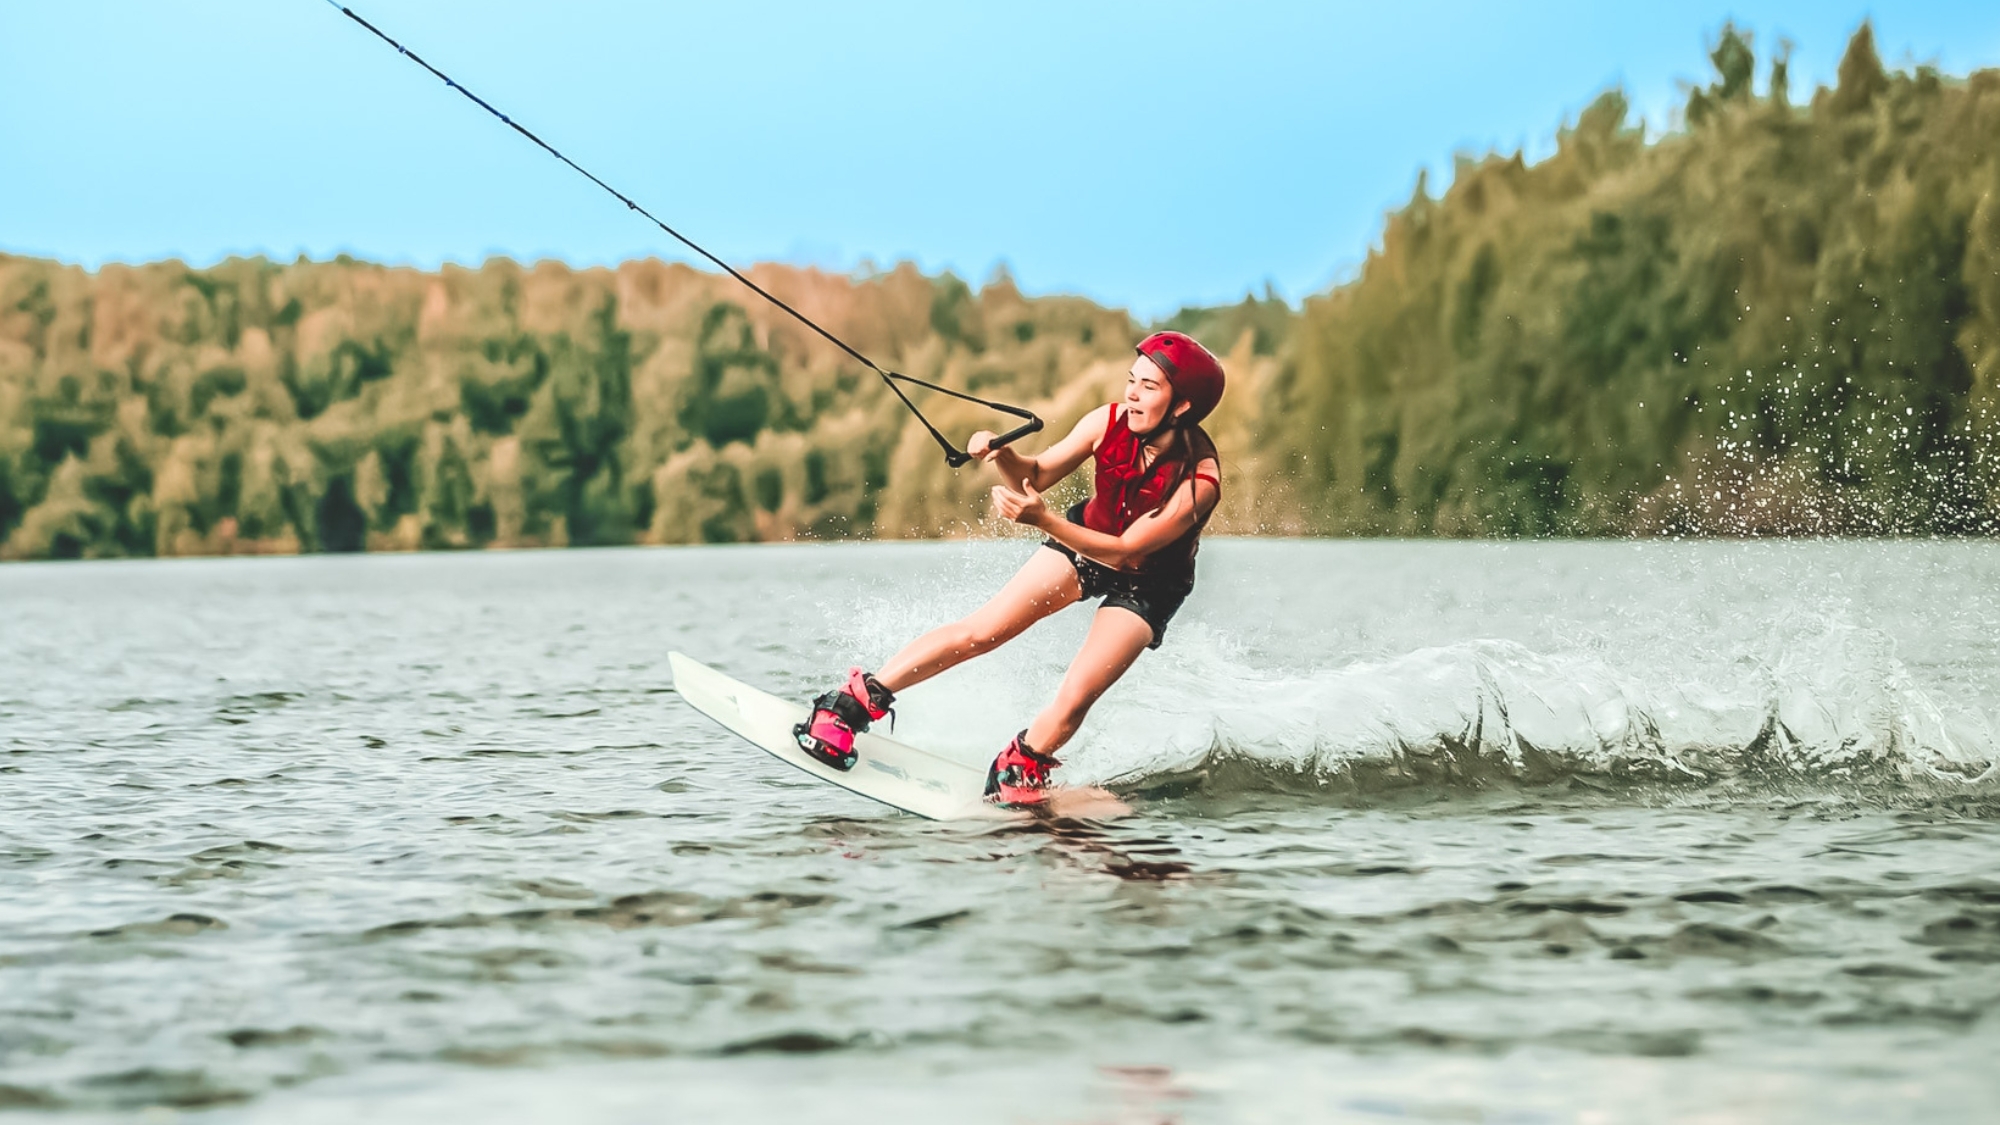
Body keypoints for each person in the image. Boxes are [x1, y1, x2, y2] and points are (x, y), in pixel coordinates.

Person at [794, 331, 1225, 805]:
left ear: (1181, 405)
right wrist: (1003, 455)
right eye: (1131, 380)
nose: (1132, 394)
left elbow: (1124, 551)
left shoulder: (1199, 482)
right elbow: (1036, 474)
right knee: (984, 630)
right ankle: (849, 706)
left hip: (1150, 582)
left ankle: (1020, 766)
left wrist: (1044, 520)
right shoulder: (1107, 421)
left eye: (1149, 387)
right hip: (1084, 541)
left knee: (1078, 693)